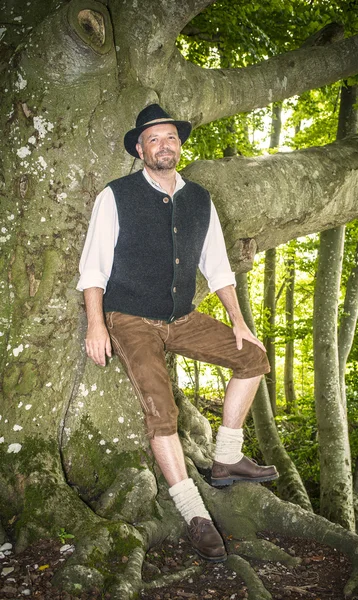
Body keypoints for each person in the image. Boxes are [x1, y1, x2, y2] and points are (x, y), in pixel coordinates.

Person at [77, 104, 279, 563]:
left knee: (253, 357)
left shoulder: (199, 199)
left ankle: (226, 456)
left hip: (183, 316)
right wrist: (95, 323)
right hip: (130, 319)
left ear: (179, 145)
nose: (163, 145)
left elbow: (219, 267)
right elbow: (93, 266)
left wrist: (239, 321)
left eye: (170, 137)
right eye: (153, 139)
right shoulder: (116, 196)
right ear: (139, 149)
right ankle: (194, 515)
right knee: (161, 409)